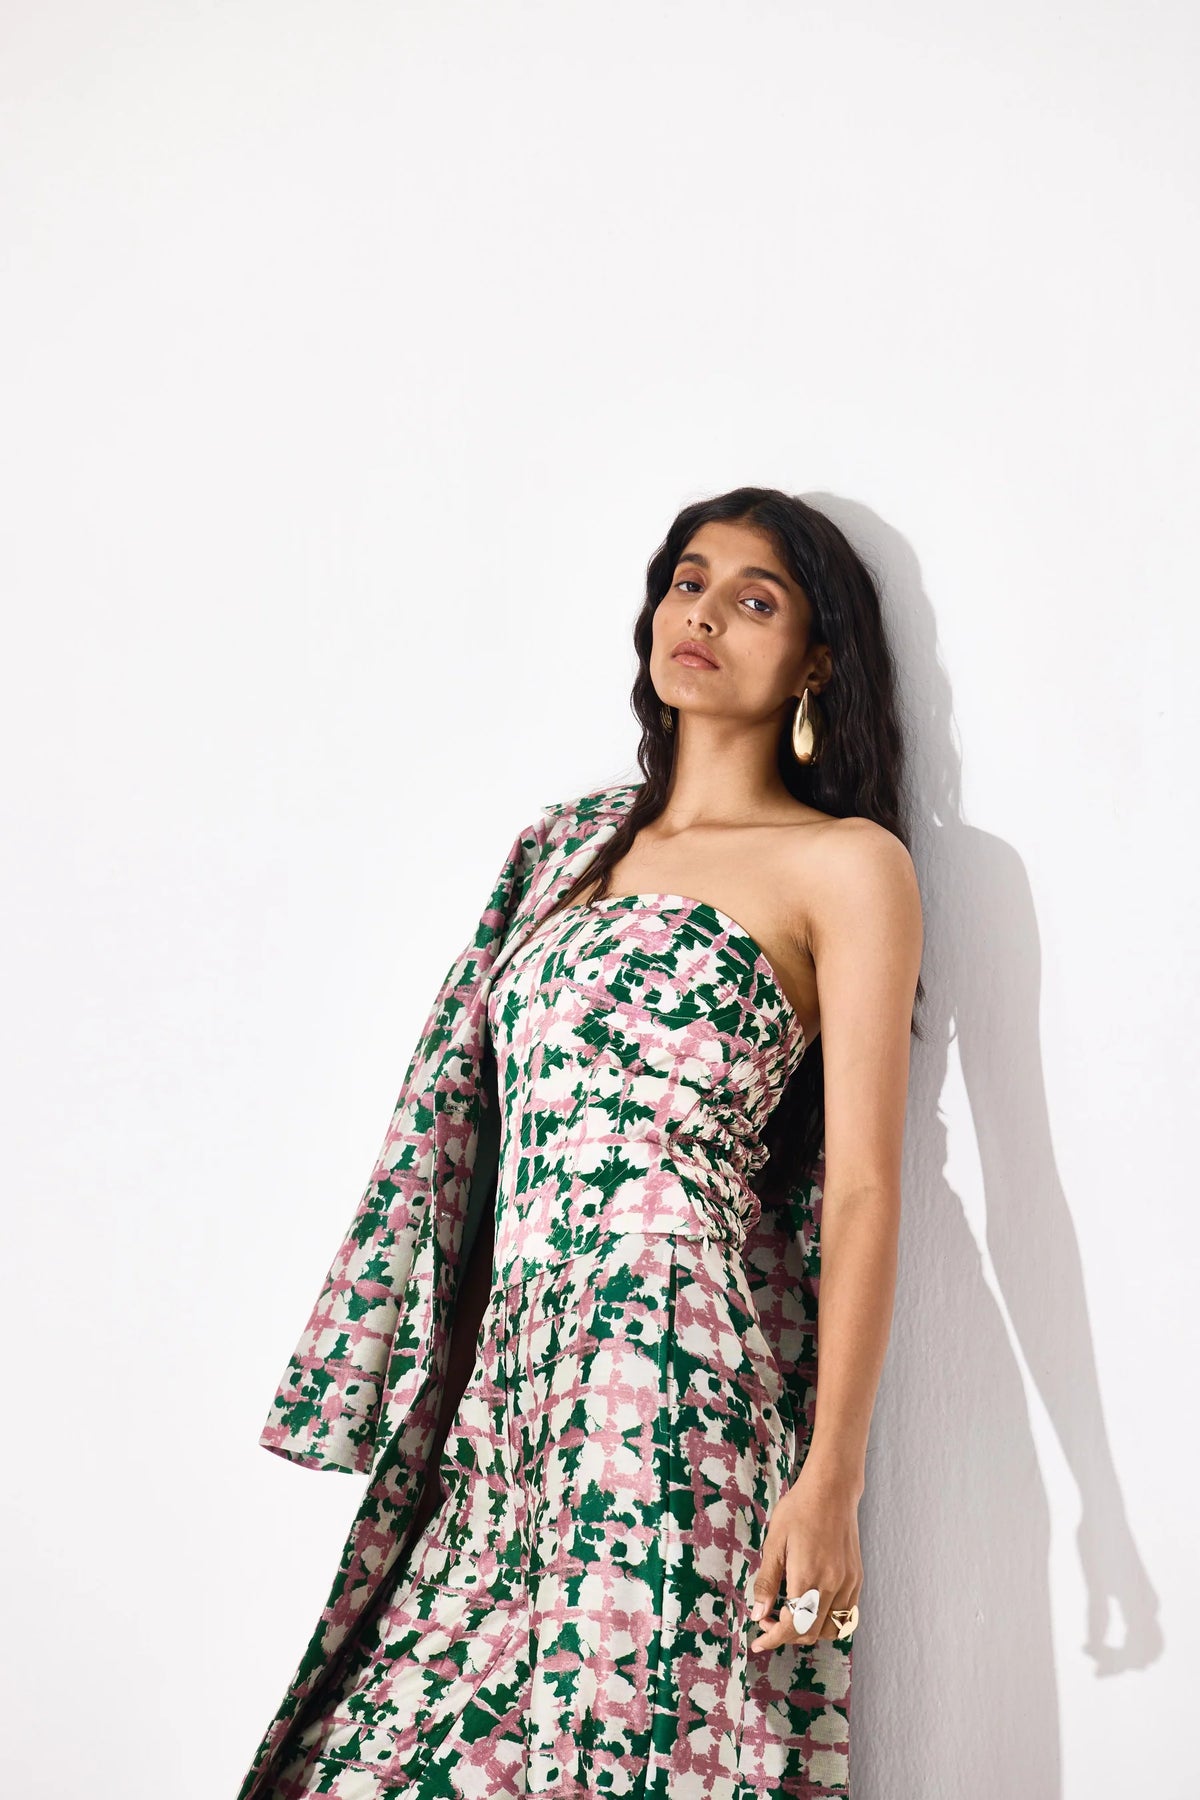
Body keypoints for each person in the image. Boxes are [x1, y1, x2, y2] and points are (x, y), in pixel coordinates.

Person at [239, 485, 924, 1799]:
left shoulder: (843, 865)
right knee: (368, 1761)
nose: (702, 615)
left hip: (664, 1366)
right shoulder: (562, 849)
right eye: (687, 582)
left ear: (816, 663)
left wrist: (829, 1479)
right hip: (505, 1386)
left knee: (624, 1762)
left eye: (755, 600)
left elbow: (864, 1189)